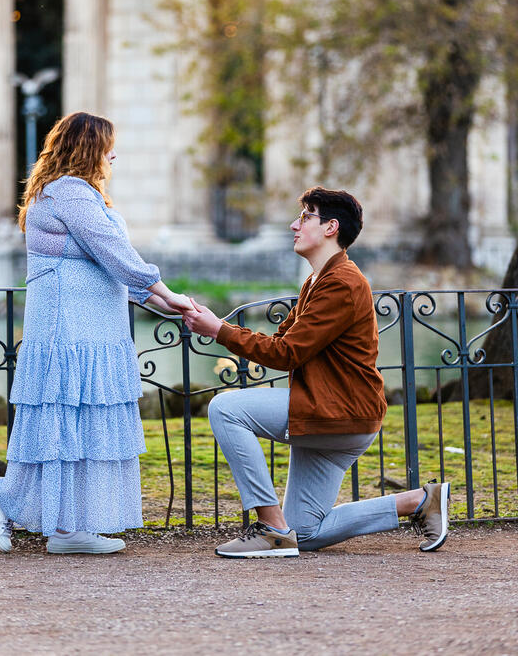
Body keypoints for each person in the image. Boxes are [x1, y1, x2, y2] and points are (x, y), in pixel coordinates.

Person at [185, 186, 450, 558]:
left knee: (225, 409)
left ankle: (272, 529)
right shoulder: (317, 280)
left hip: (340, 413)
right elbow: (282, 341)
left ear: (331, 227)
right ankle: (419, 501)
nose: (295, 225)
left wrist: (219, 330)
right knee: (307, 533)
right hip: (329, 415)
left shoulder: (341, 283)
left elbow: (288, 353)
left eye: (305, 216)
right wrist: (219, 327)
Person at [0, 112, 193, 555]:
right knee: (63, 424)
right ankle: (9, 499)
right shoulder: (68, 193)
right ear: (88, 148)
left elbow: (117, 272)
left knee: (82, 428)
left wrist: (169, 307)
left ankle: (69, 527)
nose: (113, 155)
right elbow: (117, 254)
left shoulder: (82, 196)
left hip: (95, 334)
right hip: (69, 332)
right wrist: (169, 293)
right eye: (108, 146)